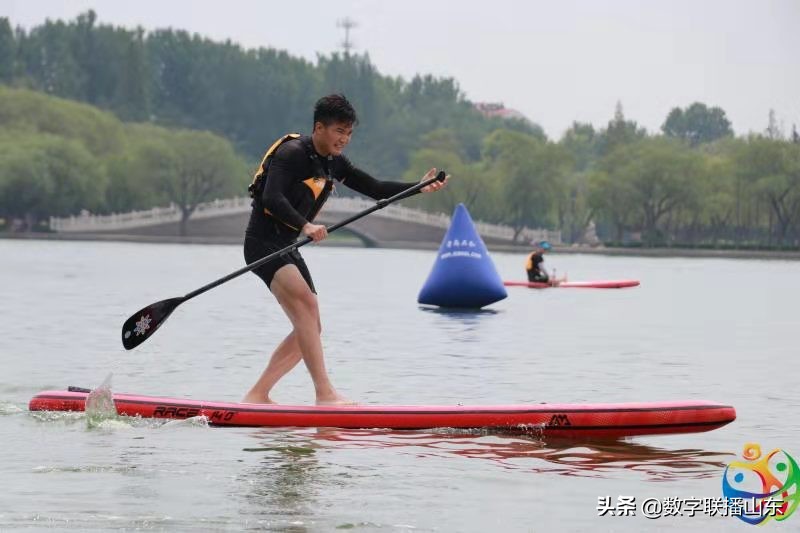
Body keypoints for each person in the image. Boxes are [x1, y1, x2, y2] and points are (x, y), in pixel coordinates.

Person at [242, 94, 448, 405]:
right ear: (319, 127)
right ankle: (324, 395)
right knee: (308, 312)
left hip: (286, 246)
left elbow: (376, 189)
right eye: (339, 131)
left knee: (311, 326)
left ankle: (257, 395)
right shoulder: (291, 153)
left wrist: (416, 187)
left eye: (349, 133)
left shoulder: (334, 163)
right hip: (262, 243)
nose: (344, 139)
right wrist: (307, 226)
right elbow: (272, 198)